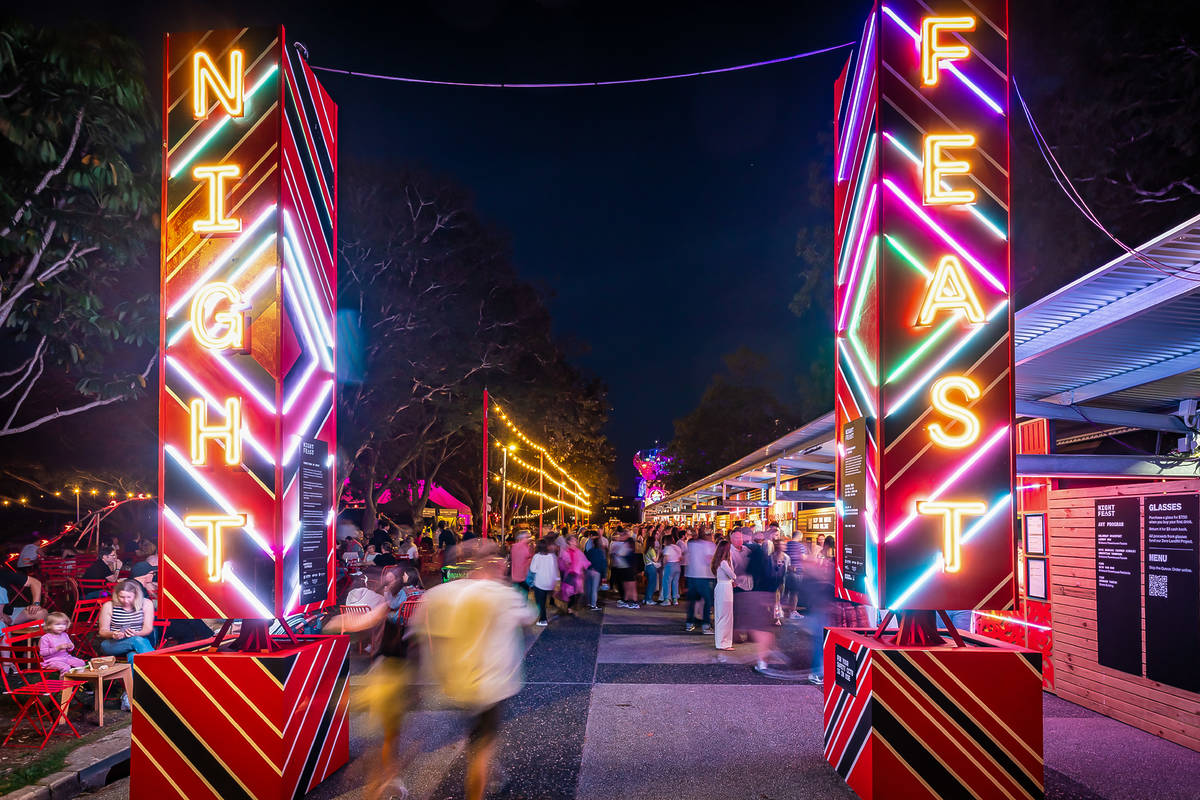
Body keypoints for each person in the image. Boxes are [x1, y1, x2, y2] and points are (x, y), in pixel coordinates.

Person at [413, 541, 536, 800]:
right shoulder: (501, 595)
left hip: (454, 683)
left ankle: (491, 772)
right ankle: (479, 787)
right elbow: (529, 617)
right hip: (491, 685)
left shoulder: (438, 595)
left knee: (476, 736)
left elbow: (419, 634)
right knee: (482, 745)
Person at [98, 580, 155, 710]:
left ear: (136, 595)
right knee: (137, 641)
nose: (125, 600)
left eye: (128, 597)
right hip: (113, 644)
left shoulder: (146, 603)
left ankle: (130, 696)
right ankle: (155, 669)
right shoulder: (109, 606)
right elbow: (102, 631)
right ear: (116, 595)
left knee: (134, 656)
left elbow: (147, 629)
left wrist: (136, 632)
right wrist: (113, 634)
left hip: (138, 645)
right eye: (121, 597)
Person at [804, 536, 836, 686]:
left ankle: (820, 671)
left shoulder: (821, 559)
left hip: (820, 606)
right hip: (824, 606)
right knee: (820, 640)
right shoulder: (827, 561)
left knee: (819, 640)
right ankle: (818, 672)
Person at [684, 530, 716, 633]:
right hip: (705, 576)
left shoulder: (692, 544)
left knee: (692, 601)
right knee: (707, 601)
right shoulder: (709, 545)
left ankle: (689, 623)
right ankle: (706, 625)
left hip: (691, 575)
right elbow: (709, 559)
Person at [528, 538, 559, 626]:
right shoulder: (552, 556)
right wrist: (557, 581)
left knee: (540, 602)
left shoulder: (536, 556)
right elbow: (555, 569)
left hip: (539, 582)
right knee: (544, 600)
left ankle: (543, 619)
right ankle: (542, 616)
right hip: (549, 582)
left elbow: (532, 569)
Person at [712, 541, 736, 650]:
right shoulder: (724, 563)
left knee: (721, 615)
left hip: (721, 587)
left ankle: (722, 642)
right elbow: (733, 575)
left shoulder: (718, 562)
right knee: (725, 616)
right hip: (725, 589)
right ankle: (723, 643)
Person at [557, 534, 588, 615]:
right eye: (573, 540)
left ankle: (570, 608)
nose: (575, 542)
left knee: (577, 593)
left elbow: (584, 562)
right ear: (569, 542)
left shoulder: (578, 551)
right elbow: (563, 563)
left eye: (575, 540)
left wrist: (582, 571)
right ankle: (569, 608)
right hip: (570, 575)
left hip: (578, 576)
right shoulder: (565, 551)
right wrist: (568, 565)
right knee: (571, 592)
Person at [609, 529, 639, 609]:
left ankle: (633, 602)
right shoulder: (630, 547)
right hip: (629, 568)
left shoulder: (626, 547)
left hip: (627, 568)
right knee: (629, 586)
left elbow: (619, 554)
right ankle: (628, 601)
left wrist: (616, 553)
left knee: (629, 586)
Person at [584, 533, 606, 611]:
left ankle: (588, 603)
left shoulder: (590, 551)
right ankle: (593, 605)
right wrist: (604, 576)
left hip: (589, 570)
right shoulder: (601, 552)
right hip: (596, 571)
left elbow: (585, 560)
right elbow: (603, 564)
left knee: (589, 588)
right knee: (594, 589)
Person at [660, 534, 682, 605]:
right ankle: (675, 599)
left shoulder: (667, 548)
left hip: (670, 565)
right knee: (675, 583)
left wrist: (663, 565)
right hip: (677, 565)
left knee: (667, 582)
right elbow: (681, 557)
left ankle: (667, 599)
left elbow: (666, 558)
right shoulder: (677, 547)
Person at [642, 533, 661, 605]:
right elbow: (655, 560)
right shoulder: (651, 550)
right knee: (652, 584)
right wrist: (658, 553)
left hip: (646, 567)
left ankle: (646, 598)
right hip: (651, 568)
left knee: (648, 584)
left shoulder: (645, 550)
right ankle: (649, 599)